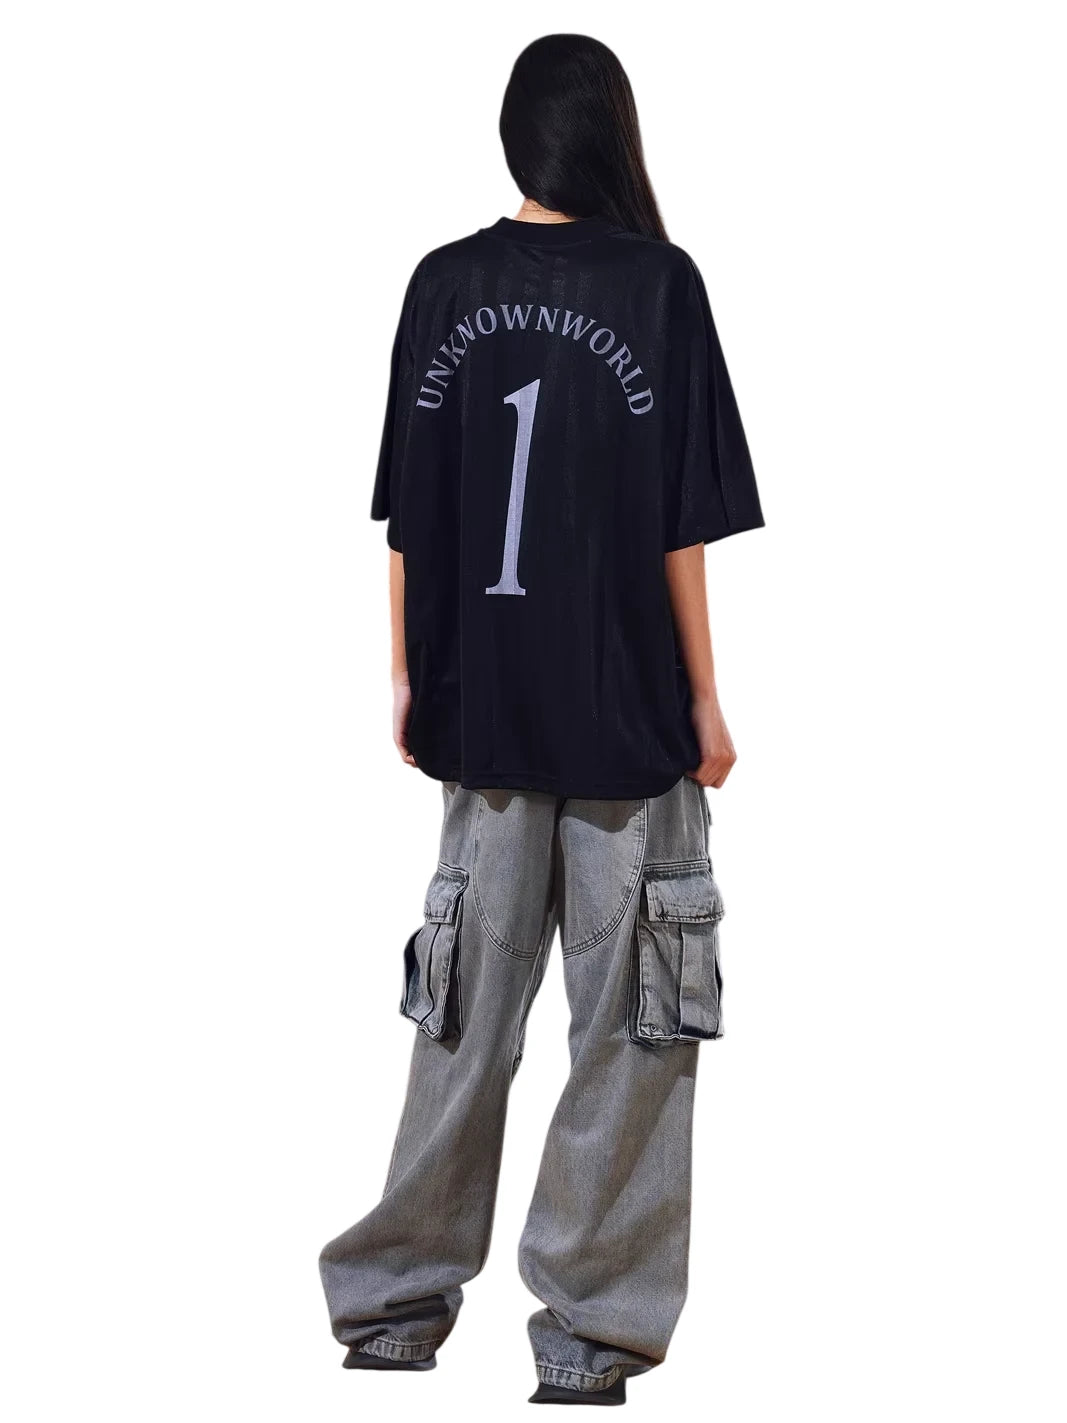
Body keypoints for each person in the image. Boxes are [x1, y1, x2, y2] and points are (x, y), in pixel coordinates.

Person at [319, 33, 764, 1407]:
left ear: (518, 137)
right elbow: (683, 528)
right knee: (633, 1033)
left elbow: (409, 515)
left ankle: (395, 1307)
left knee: (463, 1023)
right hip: (629, 722)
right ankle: (592, 1332)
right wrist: (706, 699)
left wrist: (409, 676)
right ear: (611, 134)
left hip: (489, 717)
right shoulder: (660, 286)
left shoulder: (443, 284)